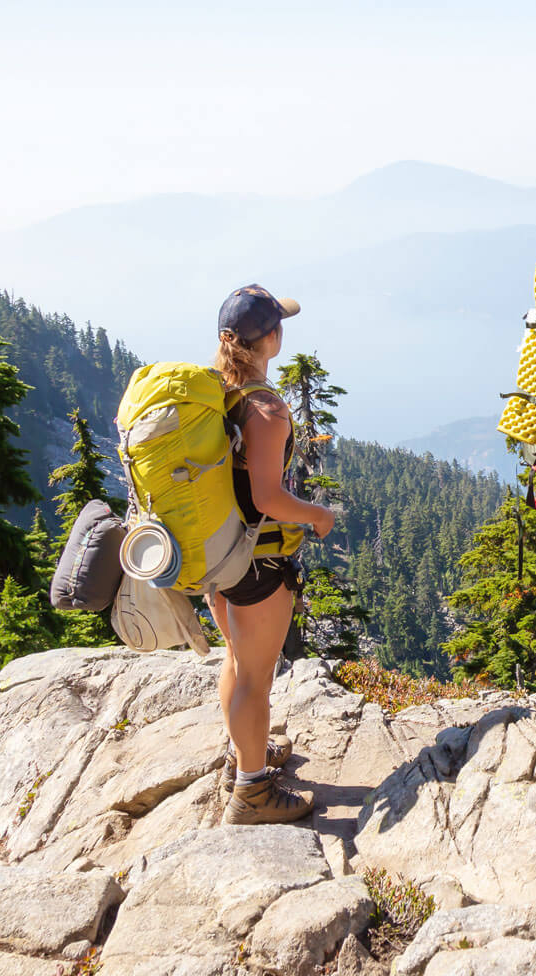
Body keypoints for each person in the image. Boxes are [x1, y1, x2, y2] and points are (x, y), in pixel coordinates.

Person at [206, 284, 338, 825]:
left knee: (237, 661)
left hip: (216, 552)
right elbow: (267, 497)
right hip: (256, 562)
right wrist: (317, 515)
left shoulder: (218, 393)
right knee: (256, 677)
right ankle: (252, 791)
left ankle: (248, 753)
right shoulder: (266, 409)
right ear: (272, 339)